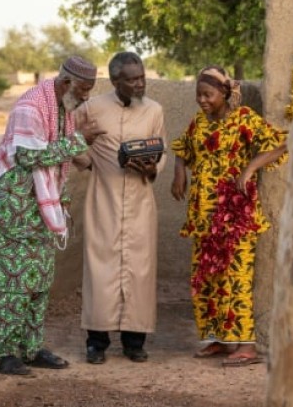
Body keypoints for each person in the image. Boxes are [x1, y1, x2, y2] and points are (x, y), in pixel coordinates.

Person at [0, 56, 104, 376]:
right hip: (12, 207)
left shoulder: (64, 109)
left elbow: (59, 157)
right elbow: (29, 157)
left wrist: (70, 189)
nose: (86, 96)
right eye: (83, 89)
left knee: (38, 280)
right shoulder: (30, 108)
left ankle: (31, 349)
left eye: (90, 90)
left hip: (40, 207)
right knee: (10, 281)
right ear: (65, 83)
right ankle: (3, 354)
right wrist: (78, 141)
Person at [170, 66, 288, 367]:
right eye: (198, 95)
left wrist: (250, 169)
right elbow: (183, 147)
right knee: (207, 278)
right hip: (204, 216)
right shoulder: (199, 122)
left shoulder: (244, 119)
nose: (202, 100)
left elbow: (279, 144)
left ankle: (246, 345)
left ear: (224, 93)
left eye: (208, 95)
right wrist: (179, 173)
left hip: (235, 214)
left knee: (235, 278)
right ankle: (220, 340)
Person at [74, 51, 166, 364]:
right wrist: (88, 164)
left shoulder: (154, 110)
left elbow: (161, 149)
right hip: (104, 201)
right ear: (115, 81)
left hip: (140, 202)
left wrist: (151, 168)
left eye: (142, 77)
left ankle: (134, 342)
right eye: (132, 79)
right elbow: (68, 137)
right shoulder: (92, 108)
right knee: (101, 270)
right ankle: (96, 343)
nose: (140, 84)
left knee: (139, 271)